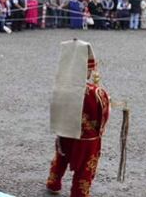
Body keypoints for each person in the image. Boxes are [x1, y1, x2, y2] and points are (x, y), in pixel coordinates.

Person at [46, 39, 110, 197]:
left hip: (65, 131)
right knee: (85, 168)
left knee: (60, 159)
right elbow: (103, 115)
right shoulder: (96, 92)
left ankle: (53, 182)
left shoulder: (60, 87)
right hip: (86, 138)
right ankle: (79, 193)